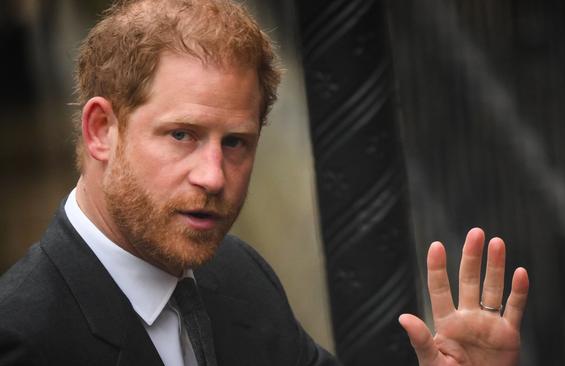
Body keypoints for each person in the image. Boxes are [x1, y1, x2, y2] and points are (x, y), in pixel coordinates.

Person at [0, 0, 529, 365]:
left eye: (236, 142)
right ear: (101, 130)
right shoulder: (22, 338)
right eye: (182, 134)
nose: (213, 176)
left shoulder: (237, 275)